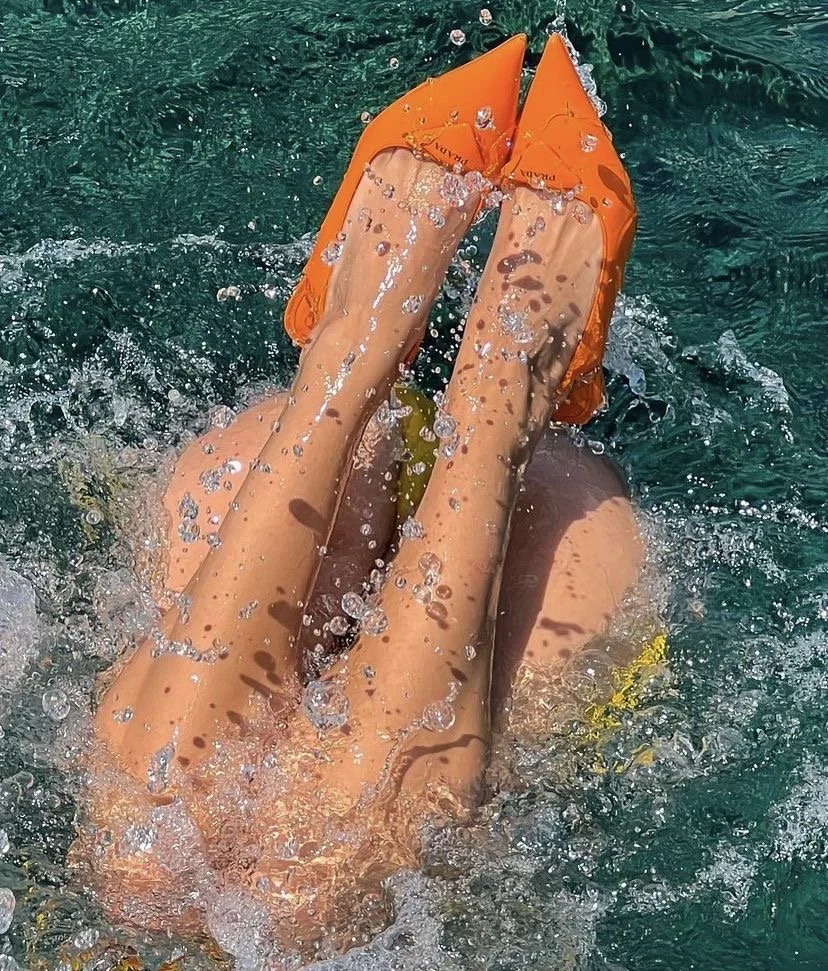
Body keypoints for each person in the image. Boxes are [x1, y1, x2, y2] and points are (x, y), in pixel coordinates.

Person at [75, 33, 644, 959]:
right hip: (508, 632)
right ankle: (498, 394)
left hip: (246, 559)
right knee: (301, 907)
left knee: (139, 869)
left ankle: (355, 354)